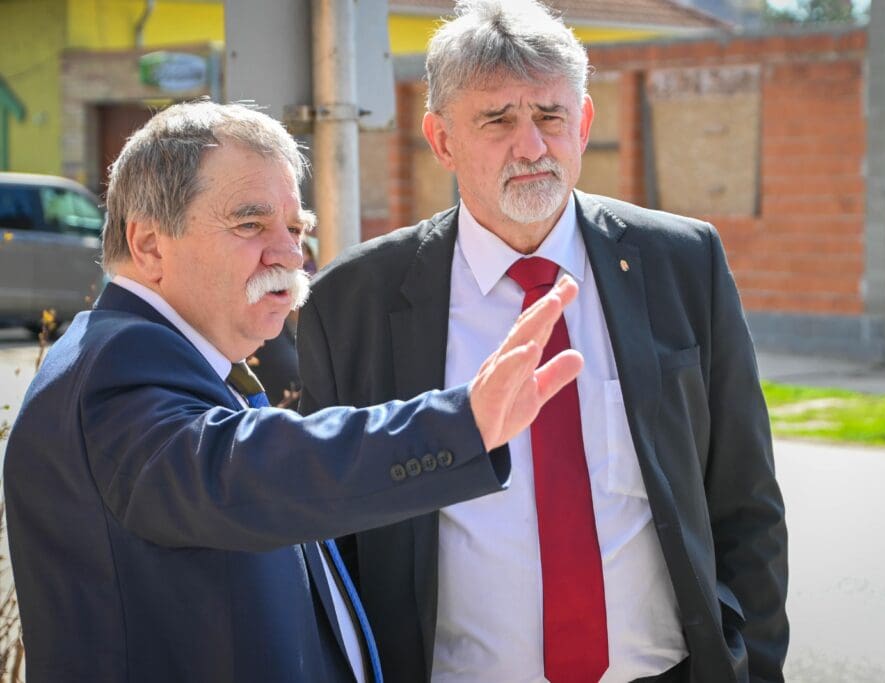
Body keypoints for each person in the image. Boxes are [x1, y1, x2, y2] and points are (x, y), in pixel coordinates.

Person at [3, 100, 583, 683]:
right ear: (151, 245)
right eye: (250, 225)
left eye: (296, 228)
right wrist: (459, 424)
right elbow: (243, 471)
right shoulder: (118, 363)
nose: (289, 254)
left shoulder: (175, 359)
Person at [297, 1, 789, 681]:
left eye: (550, 116)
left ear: (582, 124)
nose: (530, 146)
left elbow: (745, 499)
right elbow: (330, 540)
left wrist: (753, 667)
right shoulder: (353, 304)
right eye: (497, 120)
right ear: (441, 140)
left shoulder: (682, 263)